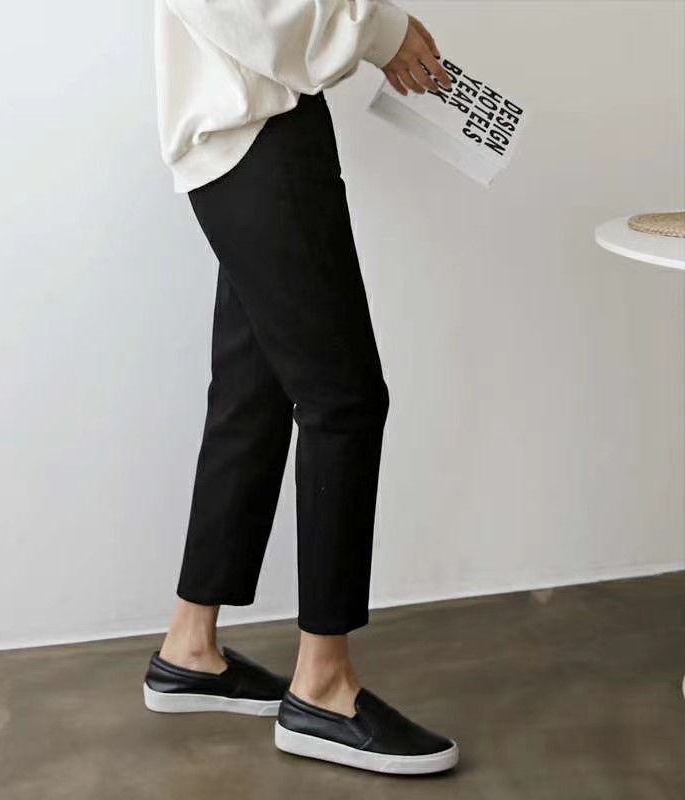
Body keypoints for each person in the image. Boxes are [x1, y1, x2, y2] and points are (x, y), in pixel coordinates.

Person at [144, 0, 459, 775]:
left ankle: (190, 646)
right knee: (343, 401)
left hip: (251, 128)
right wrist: (380, 31)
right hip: (259, 133)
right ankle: (323, 688)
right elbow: (263, 15)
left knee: (252, 393)